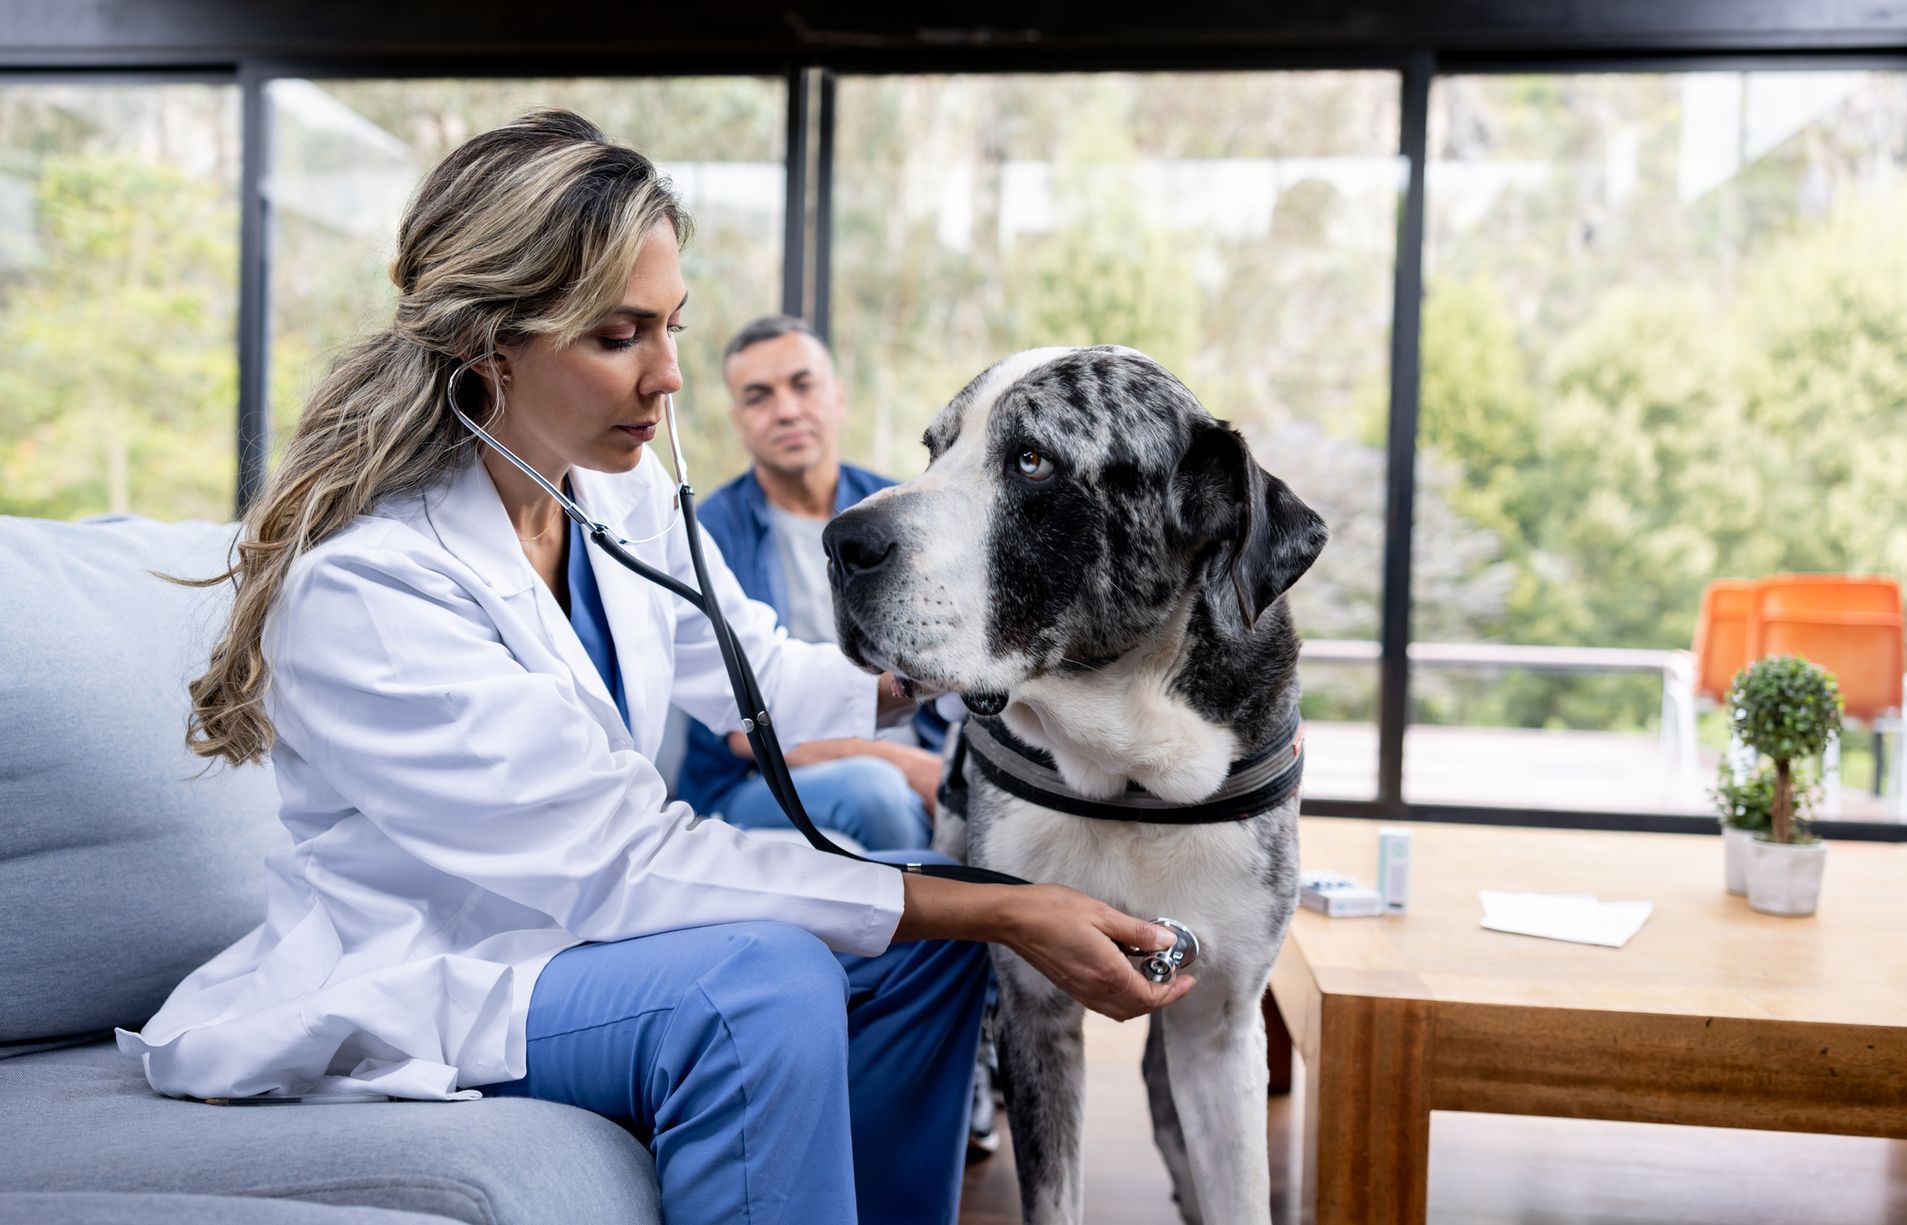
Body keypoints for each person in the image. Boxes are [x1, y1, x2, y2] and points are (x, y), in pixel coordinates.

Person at [114, 109, 1191, 1225]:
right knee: (765, 985)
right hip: (461, 977)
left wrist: (964, 662)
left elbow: (750, 666)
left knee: (931, 951)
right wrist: (1005, 912)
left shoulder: (613, 495)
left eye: (671, 326)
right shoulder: (369, 591)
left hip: (586, 936)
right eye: (621, 335)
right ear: (492, 341)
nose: (670, 376)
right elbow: (620, 871)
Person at [677, 314, 946, 852]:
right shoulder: (709, 533)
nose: (787, 410)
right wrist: (908, 764)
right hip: (759, 778)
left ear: (839, 397)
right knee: (877, 793)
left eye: (803, 385)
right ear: (738, 419)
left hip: (923, 753)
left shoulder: (895, 509)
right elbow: (742, 725)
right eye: (759, 396)